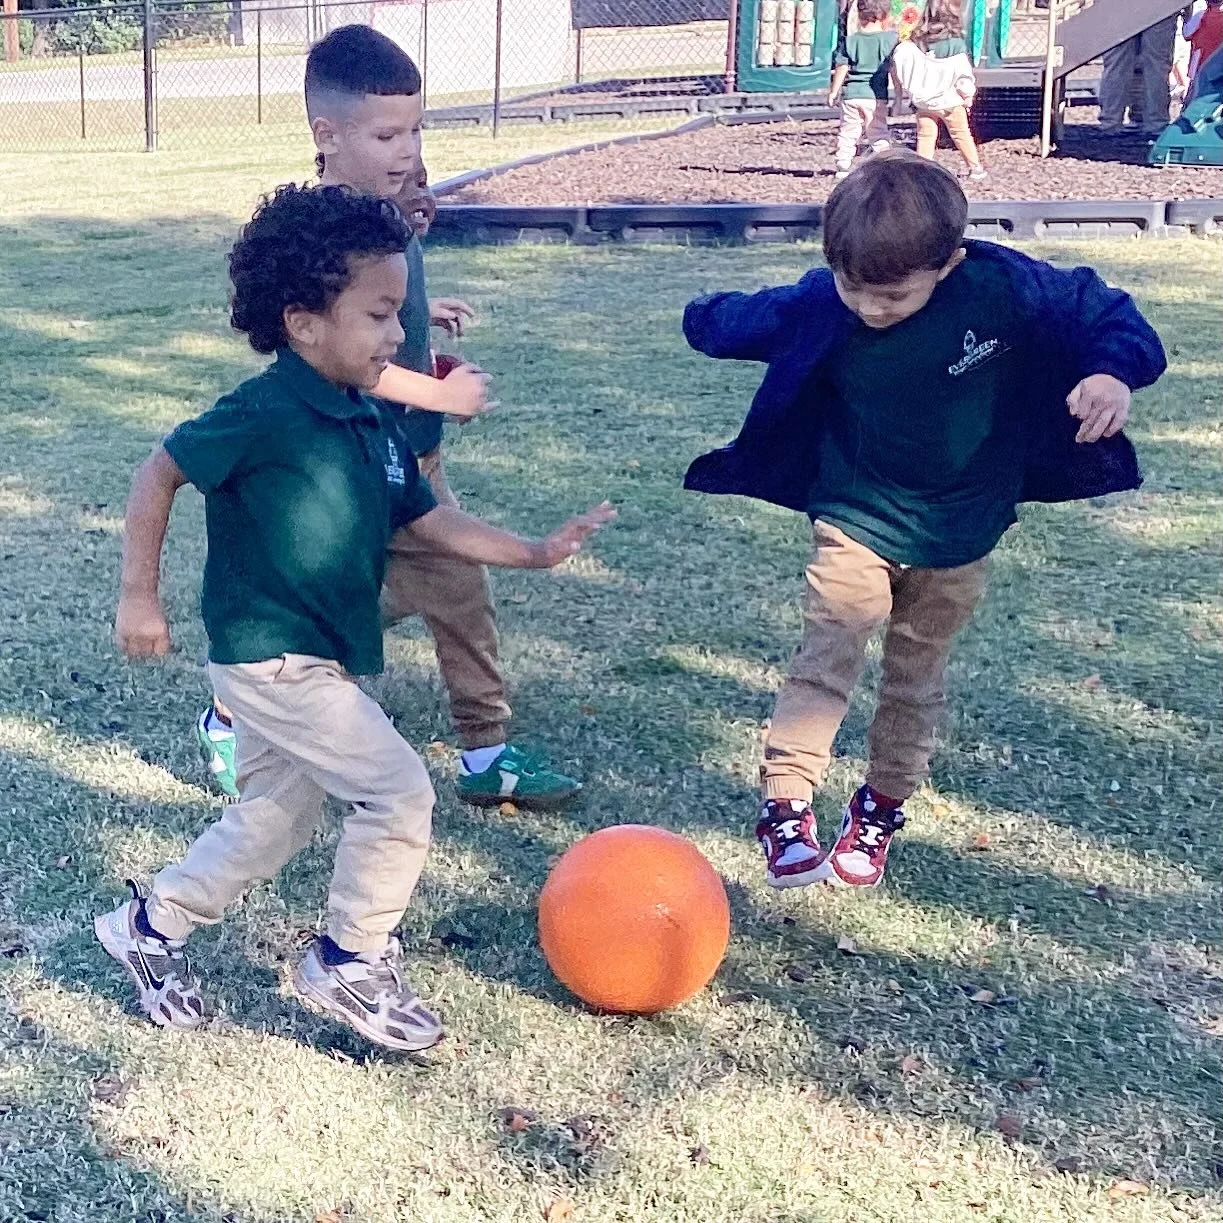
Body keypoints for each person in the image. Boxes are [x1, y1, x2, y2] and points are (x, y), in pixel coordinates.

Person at [94, 183, 614, 1046]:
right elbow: (159, 473)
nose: (399, 334)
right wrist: (138, 596)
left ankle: (149, 928)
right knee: (398, 790)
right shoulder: (262, 414)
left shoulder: (371, 418)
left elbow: (427, 518)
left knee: (273, 821)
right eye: (378, 314)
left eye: (398, 312)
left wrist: (532, 549)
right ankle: (348, 959)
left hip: (318, 656)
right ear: (304, 322)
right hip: (270, 657)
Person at [681, 151, 1165, 891]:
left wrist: (1109, 371)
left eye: (894, 295)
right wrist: (702, 319)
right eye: (854, 288)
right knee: (831, 644)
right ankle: (785, 805)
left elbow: (1104, 312)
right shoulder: (824, 304)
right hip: (854, 515)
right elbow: (743, 318)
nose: (871, 307)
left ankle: (879, 806)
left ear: (949, 263)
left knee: (914, 672)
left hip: (959, 529)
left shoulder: (1004, 289)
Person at [196, 24, 584, 812]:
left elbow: (379, 310)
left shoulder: (387, 213)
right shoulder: (329, 231)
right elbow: (341, 365)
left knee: (458, 591)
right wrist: (440, 393)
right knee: (342, 604)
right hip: (348, 465)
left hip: (414, 464)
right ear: (326, 133)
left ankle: (487, 751)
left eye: (415, 128)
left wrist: (417, 306)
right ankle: (239, 702)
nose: (406, 148)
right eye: (386, 133)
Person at [890, 0, 986, 179]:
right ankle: (975, 168)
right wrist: (967, 95)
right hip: (950, 101)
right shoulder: (956, 45)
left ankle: (922, 169)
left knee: (926, 136)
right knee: (961, 134)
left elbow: (902, 64)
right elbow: (962, 75)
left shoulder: (915, 44)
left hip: (925, 101)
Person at [828, 0, 897, 179]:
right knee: (877, 130)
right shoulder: (889, 40)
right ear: (884, 16)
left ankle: (843, 165)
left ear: (858, 15)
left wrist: (834, 91)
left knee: (848, 131)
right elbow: (894, 68)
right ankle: (886, 162)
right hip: (875, 96)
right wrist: (898, 93)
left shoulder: (850, 41)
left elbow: (842, 67)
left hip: (851, 94)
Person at [1098, 14, 1179, 136]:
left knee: (1117, 65)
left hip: (1116, 8)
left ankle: (1111, 121)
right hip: (1162, 7)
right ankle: (1155, 122)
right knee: (1156, 66)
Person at [1184, 0, 1223, 83]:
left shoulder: (1201, 15)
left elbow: (1186, 33)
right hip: (1218, 60)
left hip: (1201, 59)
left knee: (1196, 87)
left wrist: (1186, 17)